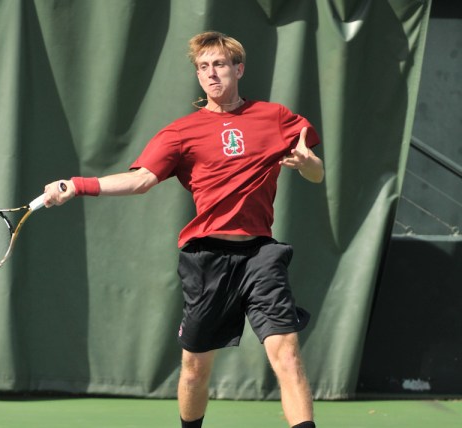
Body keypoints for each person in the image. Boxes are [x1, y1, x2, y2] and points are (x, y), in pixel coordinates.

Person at [43, 31, 324, 428]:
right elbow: (140, 181)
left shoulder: (276, 118)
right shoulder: (181, 133)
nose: (212, 74)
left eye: (220, 65)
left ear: (238, 69)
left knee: (288, 354)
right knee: (194, 368)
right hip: (206, 258)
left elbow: (315, 172)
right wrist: (77, 185)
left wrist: (306, 162)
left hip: (261, 255)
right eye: (204, 67)